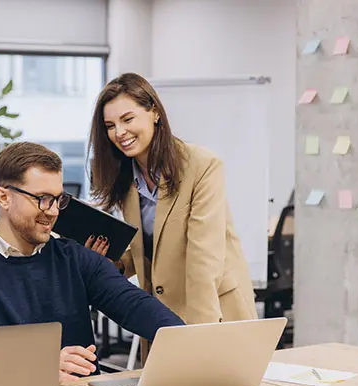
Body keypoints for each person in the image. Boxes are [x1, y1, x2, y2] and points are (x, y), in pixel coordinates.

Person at [0, 142, 185, 383]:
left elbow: (134, 305)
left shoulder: (74, 258)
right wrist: (40, 367)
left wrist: (187, 339)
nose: (53, 211)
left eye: (58, 199)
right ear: (3, 197)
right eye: (43, 198)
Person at [87, 72, 257, 326]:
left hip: (213, 309)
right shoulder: (125, 179)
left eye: (127, 119)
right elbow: (151, 248)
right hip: (161, 312)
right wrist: (116, 264)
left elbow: (204, 258)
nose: (119, 132)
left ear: (154, 113)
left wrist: (200, 333)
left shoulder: (201, 165)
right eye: (110, 126)